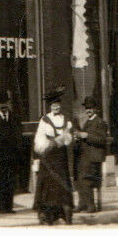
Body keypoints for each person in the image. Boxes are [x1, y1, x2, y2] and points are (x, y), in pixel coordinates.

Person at [32, 88, 76, 225]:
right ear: (50, 106)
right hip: (49, 158)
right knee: (49, 186)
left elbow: (69, 138)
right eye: (53, 105)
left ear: (60, 105)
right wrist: (48, 145)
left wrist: (65, 138)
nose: (56, 107)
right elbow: (39, 139)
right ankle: (48, 215)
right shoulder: (45, 120)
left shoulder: (66, 120)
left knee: (62, 186)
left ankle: (64, 213)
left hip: (61, 158)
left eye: (57, 104)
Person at [75, 96, 111, 213]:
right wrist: (79, 137)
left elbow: (102, 140)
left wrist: (87, 136)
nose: (88, 110)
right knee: (78, 178)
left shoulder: (100, 122)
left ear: (95, 109)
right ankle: (82, 204)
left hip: (94, 158)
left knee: (85, 178)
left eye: (90, 108)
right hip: (86, 157)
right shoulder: (88, 121)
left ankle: (90, 205)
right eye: (87, 108)